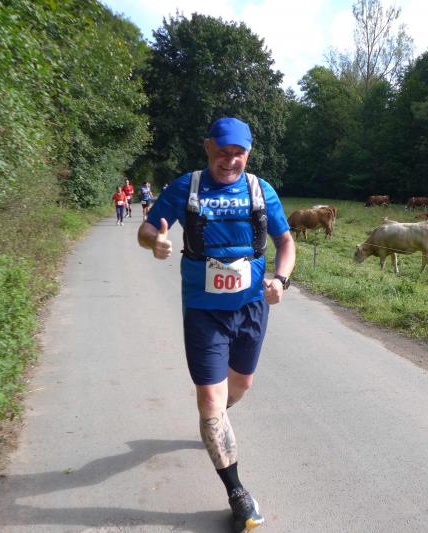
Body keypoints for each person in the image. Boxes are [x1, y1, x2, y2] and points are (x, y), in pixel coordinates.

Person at [137, 117, 295, 533]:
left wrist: (281, 280)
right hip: (204, 310)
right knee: (210, 400)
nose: (230, 161)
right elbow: (147, 228)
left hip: (251, 308)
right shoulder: (185, 188)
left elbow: (286, 242)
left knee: (239, 387)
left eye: (238, 153)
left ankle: (214, 420)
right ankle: (237, 494)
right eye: (222, 152)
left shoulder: (260, 190)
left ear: (248, 153)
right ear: (208, 147)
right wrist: (155, 241)